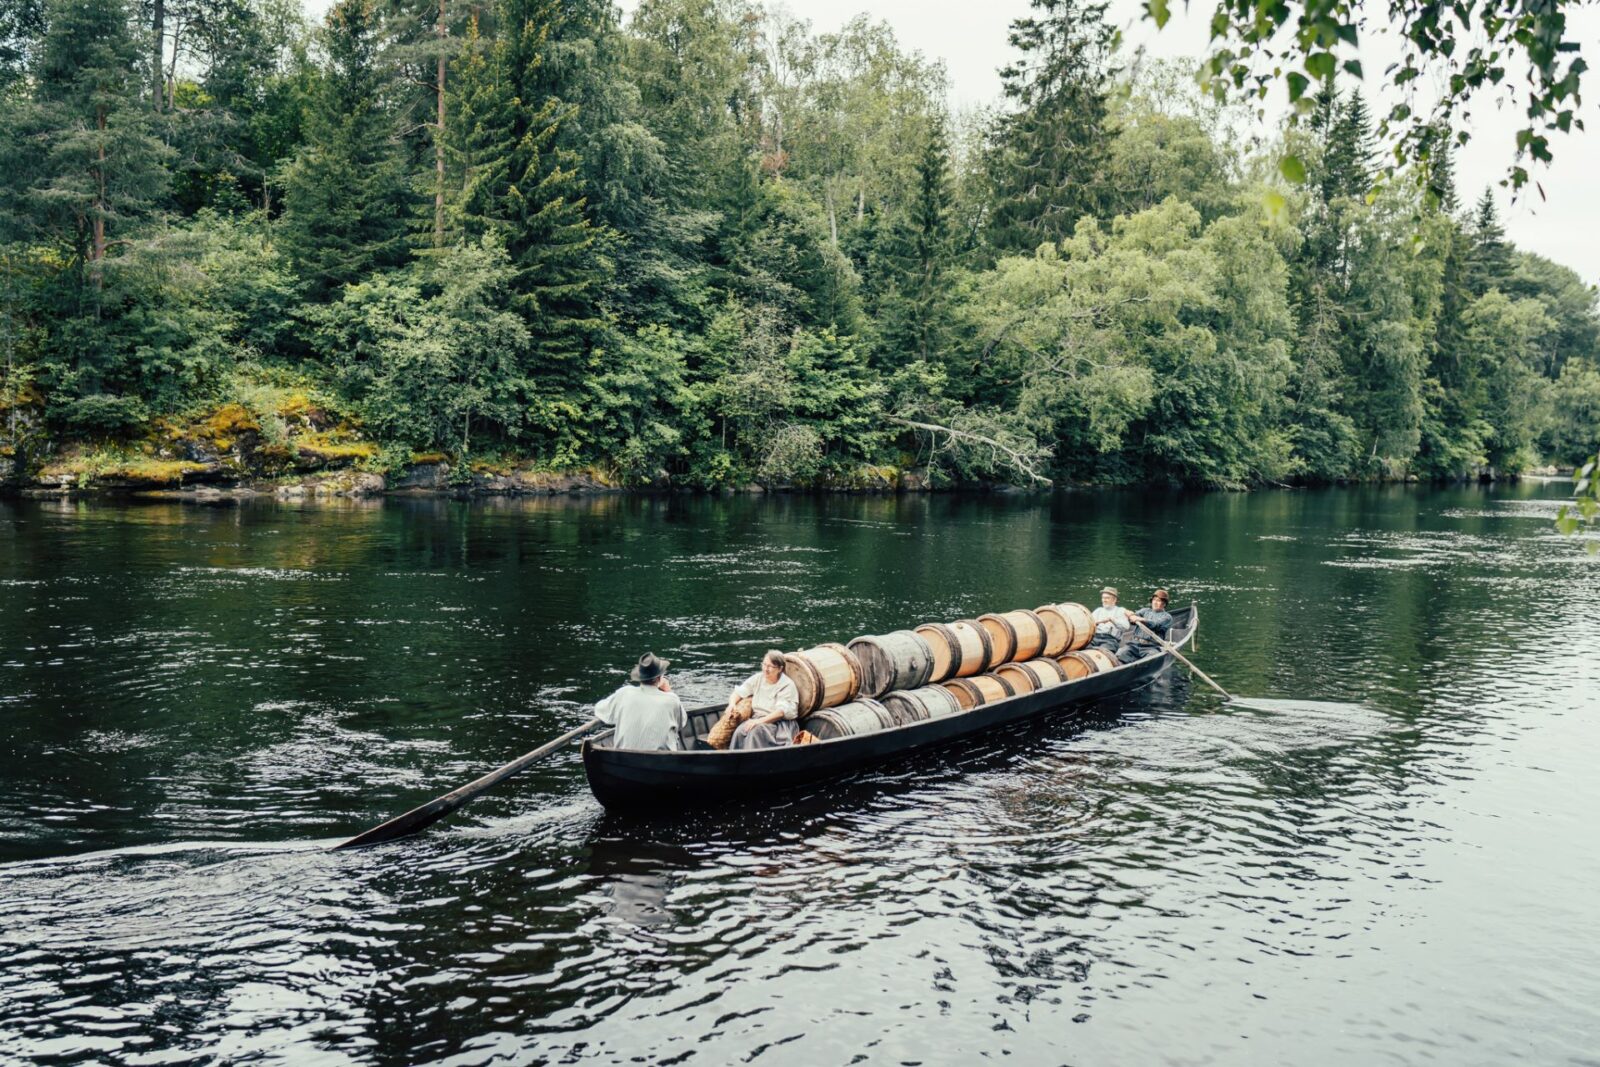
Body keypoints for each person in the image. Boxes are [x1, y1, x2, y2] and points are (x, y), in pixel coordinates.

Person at [594, 652, 688, 751]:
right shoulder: (672, 700)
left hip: (623, 759)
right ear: (659, 678)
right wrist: (668, 691)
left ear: (640, 677)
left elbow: (599, 709)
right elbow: (682, 723)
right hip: (662, 762)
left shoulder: (624, 693)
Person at [725, 650, 800, 750]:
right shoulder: (758, 678)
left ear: (780, 669)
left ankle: (753, 762)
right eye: (764, 664)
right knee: (739, 732)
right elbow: (739, 692)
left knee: (754, 732)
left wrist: (758, 722)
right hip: (758, 718)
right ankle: (735, 761)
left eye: (770, 667)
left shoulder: (786, 684)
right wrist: (732, 704)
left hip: (777, 723)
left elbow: (780, 713)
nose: (765, 669)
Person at [1117, 588, 1174, 664]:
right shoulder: (1144, 611)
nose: (1155, 602)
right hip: (1134, 644)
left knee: (1150, 660)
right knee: (1120, 654)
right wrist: (1130, 615)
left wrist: (1141, 619)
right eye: (1154, 600)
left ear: (1164, 604)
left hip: (1151, 647)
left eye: (1158, 600)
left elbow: (1155, 625)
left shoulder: (1167, 617)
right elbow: (1133, 619)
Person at [1088, 586, 1133, 653]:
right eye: (1103, 598)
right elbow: (1089, 624)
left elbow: (1126, 627)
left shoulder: (1120, 610)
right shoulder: (1098, 610)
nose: (1104, 600)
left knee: (1101, 653)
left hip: (1110, 640)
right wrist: (1097, 622)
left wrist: (1113, 620)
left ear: (1114, 600)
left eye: (1107, 598)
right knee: (1083, 647)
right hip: (1095, 638)